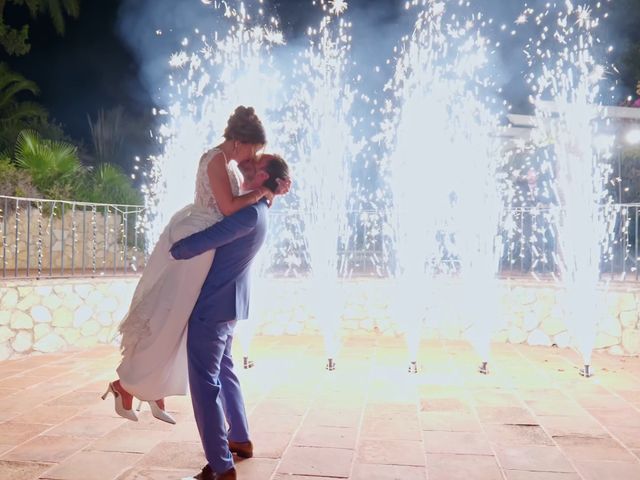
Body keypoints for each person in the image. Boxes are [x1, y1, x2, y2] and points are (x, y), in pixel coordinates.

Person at [103, 106, 275, 423]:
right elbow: (227, 208)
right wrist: (264, 190)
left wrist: (272, 189)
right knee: (172, 314)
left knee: (178, 318)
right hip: (198, 242)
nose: (253, 157)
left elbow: (240, 204)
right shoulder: (216, 161)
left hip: (206, 242)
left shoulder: (229, 164)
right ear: (239, 141)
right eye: (253, 149)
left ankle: (150, 387)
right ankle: (127, 384)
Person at [170, 154, 290, 480]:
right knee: (225, 370)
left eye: (255, 163)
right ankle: (240, 437)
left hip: (212, 308)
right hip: (230, 306)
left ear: (262, 174)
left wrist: (171, 245)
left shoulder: (248, 214)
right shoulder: (260, 210)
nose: (247, 163)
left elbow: (194, 245)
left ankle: (221, 466)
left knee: (205, 384)